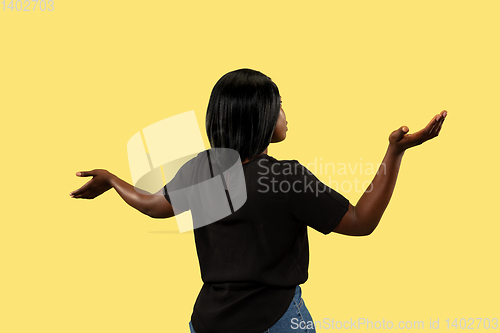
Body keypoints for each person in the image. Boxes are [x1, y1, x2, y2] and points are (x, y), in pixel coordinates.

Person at [70, 69, 447, 333]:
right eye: (278, 105)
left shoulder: (202, 168)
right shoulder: (284, 177)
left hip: (206, 322)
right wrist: (395, 152)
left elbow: (154, 205)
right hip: (274, 320)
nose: (284, 113)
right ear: (261, 116)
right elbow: (361, 222)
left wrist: (112, 180)